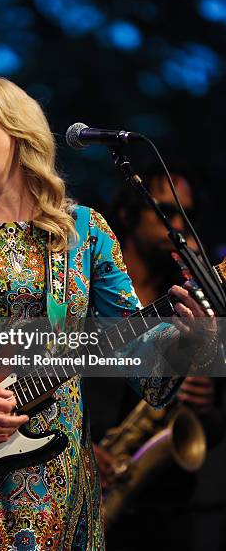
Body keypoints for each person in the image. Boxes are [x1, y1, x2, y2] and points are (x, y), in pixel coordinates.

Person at [0, 75, 212, 550]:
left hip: (65, 477)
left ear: (17, 122)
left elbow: (140, 363)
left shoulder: (85, 232)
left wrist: (189, 342)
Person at [88, 169, 226, 551]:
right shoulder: (88, 292)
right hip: (89, 497)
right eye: (165, 211)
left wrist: (207, 406)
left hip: (170, 514)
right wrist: (81, 447)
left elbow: (214, 426)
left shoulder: (195, 299)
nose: (178, 225)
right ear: (129, 214)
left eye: (187, 214)